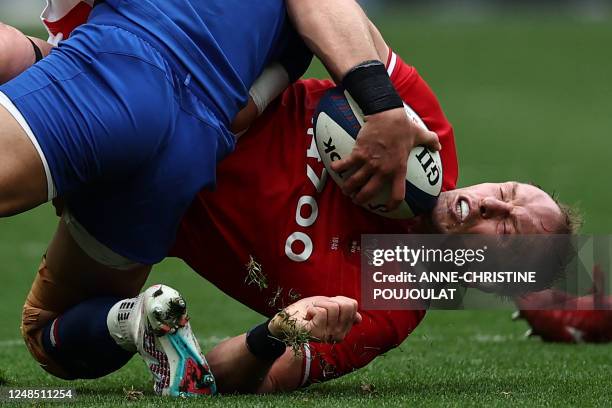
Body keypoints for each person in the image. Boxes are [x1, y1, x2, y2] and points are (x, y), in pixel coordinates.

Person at [16, 17, 579, 395]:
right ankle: (131, 319)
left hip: (141, 197)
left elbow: (227, 375)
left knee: (54, 343)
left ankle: (135, 318)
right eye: (503, 196)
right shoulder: (425, 133)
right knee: (20, 59)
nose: (485, 207)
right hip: (186, 96)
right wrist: (376, 105)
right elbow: (340, 26)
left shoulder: (385, 306)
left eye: (505, 233)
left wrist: (277, 333)